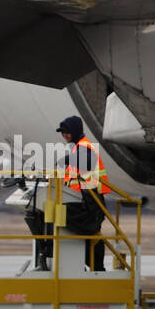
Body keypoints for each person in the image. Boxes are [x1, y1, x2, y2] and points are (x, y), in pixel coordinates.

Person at [56, 115, 110, 270]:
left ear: (74, 131)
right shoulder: (77, 148)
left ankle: (95, 269)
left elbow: (88, 162)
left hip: (91, 201)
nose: (65, 135)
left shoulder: (84, 147)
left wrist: (67, 159)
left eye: (67, 132)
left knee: (87, 233)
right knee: (88, 236)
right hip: (83, 200)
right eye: (62, 133)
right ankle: (90, 267)